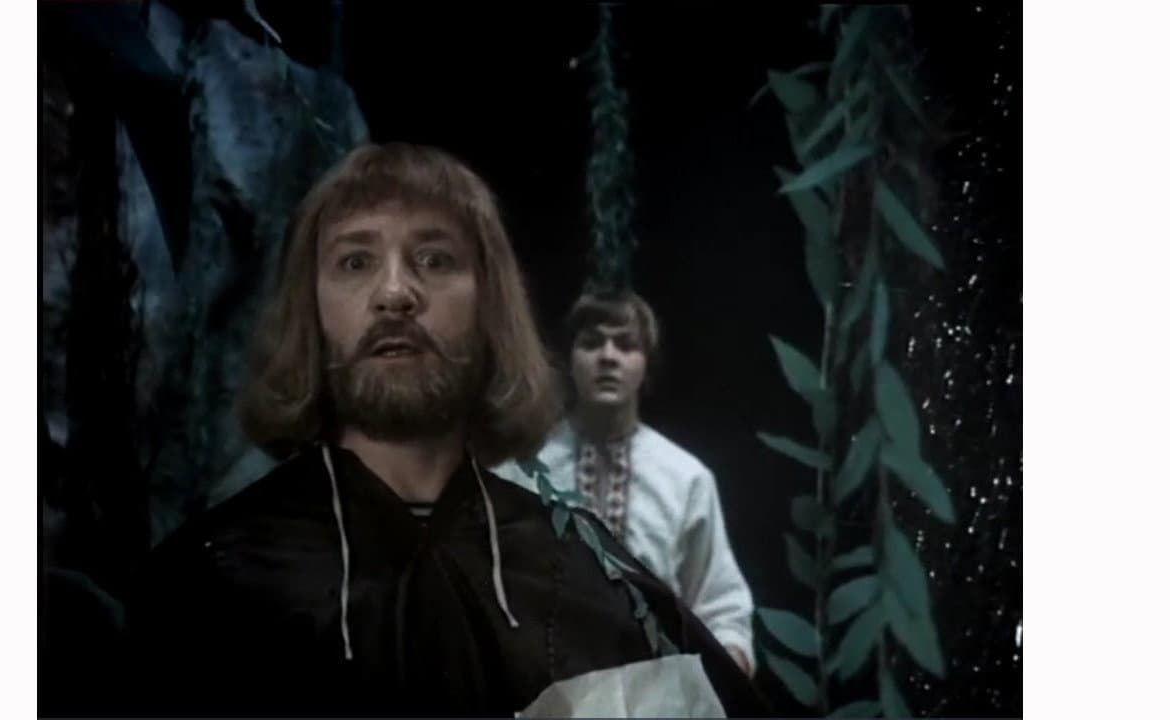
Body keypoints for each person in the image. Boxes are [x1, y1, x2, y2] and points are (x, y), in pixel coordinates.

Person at [123, 143, 768, 717]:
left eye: (434, 259)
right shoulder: (212, 583)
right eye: (355, 261)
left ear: (489, 307)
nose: (395, 292)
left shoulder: (584, 574)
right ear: (312, 311)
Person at [492, 291, 759, 675]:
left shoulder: (685, 479)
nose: (608, 356)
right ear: (569, 359)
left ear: (646, 363)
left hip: (658, 689)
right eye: (591, 342)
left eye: (626, 344)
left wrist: (725, 666)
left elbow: (721, 605)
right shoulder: (519, 473)